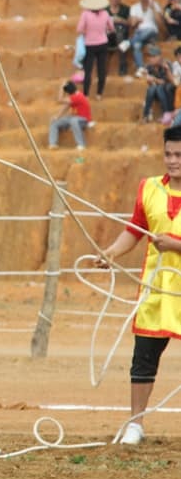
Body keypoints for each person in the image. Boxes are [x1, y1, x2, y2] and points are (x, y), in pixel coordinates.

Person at [93, 125, 181, 445]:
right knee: (144, 356)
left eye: (179, 155)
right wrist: (112, 253)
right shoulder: (150, 188)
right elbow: (135, 229)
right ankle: (135, 424)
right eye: (168, 154)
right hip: (156, 288)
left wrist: (175, 245)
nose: (173, 161)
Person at [77, 0, 114, 100]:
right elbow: (111, 28)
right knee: (101, 69)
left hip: (90, 45)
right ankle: (99, 94)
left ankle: (86, 94)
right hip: (103, 44)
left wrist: (87, 32)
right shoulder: (105, 14)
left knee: (88, 70)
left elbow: (79, 29)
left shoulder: (85, 14)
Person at [48, 81, 91, 151]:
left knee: (73, 121)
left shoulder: (78, 96)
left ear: (68, 92)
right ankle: (53, 144)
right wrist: (57, 117)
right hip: (74, 119)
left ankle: (81, 145)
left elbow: (59, 100)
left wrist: (61, 88)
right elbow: (65, 107)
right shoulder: (74, 97)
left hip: (83, 120)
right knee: (54, 122)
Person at [130, 0, 162, 77]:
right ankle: (141, 68)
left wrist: (154, 9)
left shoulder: (154, 5)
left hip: (152, 31)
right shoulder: (134, 7)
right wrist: (136, 20)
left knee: (141, 35)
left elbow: (160, 22)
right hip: (139, 33)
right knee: (137, 45)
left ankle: (128, 42)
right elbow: (132, 24)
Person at [141, 46, 175, 123]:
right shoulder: (149, 66)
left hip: (168, 92)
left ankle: (166, 113)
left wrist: (154, 79)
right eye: (149, 56)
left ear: (159, 57)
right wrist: (148, 79)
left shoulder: (166, 64)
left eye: (153, 56)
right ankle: (145, 115)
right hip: (156, 91)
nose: (150, 58)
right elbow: (151, 83)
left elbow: (168, 82)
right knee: (151, 89)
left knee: (159, 88)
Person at [107, 0, 131, 76]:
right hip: (108, 34)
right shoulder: (105, 10)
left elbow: (130, 23)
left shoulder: (126, 9)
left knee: (121, 39)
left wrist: (121, 20)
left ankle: (123, 65)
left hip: (122, 34)